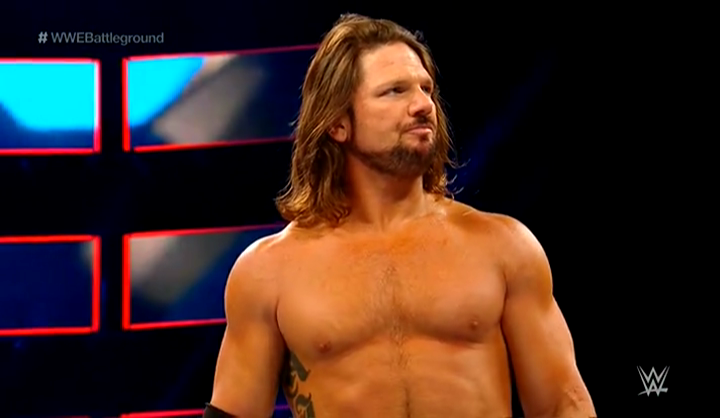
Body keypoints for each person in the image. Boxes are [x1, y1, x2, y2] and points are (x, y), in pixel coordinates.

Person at [204, 13, 596, 418]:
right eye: (394, 91)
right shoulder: (268, 272)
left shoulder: (502, 246)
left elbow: (562, 403)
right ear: (337, 123)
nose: (423, 105)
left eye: (426, 89)